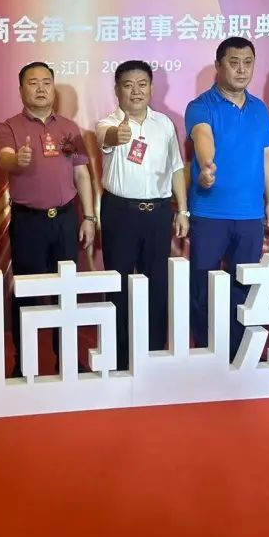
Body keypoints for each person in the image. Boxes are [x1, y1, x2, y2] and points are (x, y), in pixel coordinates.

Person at [0, 61, 96, 377]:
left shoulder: (69, 127)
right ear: (21, 89)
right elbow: (4, 158)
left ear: (53, 88)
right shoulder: (10, 127)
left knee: (65, 292)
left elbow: (81, 173)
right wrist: (18, 160)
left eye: (46, 82)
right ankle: (23, 363)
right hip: (29, 223)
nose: (40, 88)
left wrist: (89, 216)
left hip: (65, 219)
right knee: (26, 293)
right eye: (33, 82)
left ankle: (66, 358)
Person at [185, 37, 269, 358]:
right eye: (234, 62)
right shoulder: (201, 105)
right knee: (203, 286)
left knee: (244, 286)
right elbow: (202, 136)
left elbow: (268, 156)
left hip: (250, 214)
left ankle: (239, 351)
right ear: (218, 66)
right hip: (210, 212)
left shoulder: (259, 108)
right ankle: (206, 350)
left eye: (248, 63)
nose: (241, 70)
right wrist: (207, 165)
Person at [97, 60, 188, 370]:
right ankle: (119, 356)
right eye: (128, 85)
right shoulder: (107, 123)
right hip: (120, 213)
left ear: (151, 88)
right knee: (118, 284)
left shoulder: (164, 124)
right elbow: (108, 138)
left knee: (156, 284)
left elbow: (176, 167)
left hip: (158, 214)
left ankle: (153, 353)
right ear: (117, 90)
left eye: (142, 84)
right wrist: (118, 135)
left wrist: (182, 210)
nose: (135, 91)